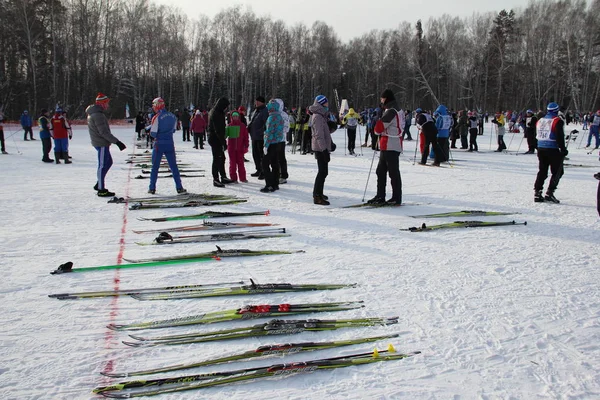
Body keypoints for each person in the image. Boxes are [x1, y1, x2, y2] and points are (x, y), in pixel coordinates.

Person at [86, 93, 127, 197]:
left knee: (108, 162)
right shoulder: (97, 115)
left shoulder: (97, 113)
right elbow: (103, 132)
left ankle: (99, 183)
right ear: (102, 103)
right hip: (101, 143)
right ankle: (101, 189)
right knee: (103, 164)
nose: (108, 105)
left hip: (101, 142)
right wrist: (117, 142)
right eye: (106, 103)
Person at [369, 89, 403, 205]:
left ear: (387, 98)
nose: (381, 100)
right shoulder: (393, 109)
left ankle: (396, 197)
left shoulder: (391, 111)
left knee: (392, 172)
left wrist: (377, 121)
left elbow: (379, 128)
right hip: (388, 144)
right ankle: (380, 195)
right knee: (381, 171)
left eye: (382, 98)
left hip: (390, 144)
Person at [147, 97, 186, 194]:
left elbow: (153, 133)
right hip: (169, 143)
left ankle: (152, 188)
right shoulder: (173, 116)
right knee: (173, 166)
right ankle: (179, 187)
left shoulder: (156, 117)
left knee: (155, 167)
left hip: (159, 144)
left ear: (157, 106)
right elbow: (173, 130)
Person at [534, 102, 567, 203]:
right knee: (557, 171)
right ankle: (550, 192)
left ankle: (537, 192)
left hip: (541, 148)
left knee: (542, 171)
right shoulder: (557, 121)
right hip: (553, 149)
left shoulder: (540, 120)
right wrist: (563, 149)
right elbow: (559, 136)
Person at [310, 95, 335, 205]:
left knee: (324, 172)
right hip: (320, 148)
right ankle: (317, 196)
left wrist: (331, 143)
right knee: (322, 172)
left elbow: (325, 132)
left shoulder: (321, 115)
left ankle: (319, 192)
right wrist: (324, 150)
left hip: (322, 147)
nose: (327, 105)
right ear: (321, 104)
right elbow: (319, 135)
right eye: (325, 103)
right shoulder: (318, 116)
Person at [208, 97, 234, 187]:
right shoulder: (216, 113)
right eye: (226, 106)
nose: (226, 108)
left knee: (222, 158)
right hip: (215, 139)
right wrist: (223, 142)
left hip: (217, 138)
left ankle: (223, 176)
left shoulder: (218, 112)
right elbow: (217, 130)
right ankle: (215, 179)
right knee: (217, 158)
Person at [260, 99, 284, 193]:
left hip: (271, 143)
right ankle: (275, 183)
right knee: (275, 163)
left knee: (265, 164)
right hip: (278, 143)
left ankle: (269, 184)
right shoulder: (279, 117)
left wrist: (266, 145)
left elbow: (269, 133)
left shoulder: (271, 118)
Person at [248, 96, 268, 179]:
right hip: (254, 136)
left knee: (261, 155)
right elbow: (253, 121)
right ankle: (258, 169)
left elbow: (265, 124)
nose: (256, 103)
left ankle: (264, 171)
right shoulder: (256, 111)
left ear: (262, 102)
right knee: (255, 154)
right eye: (256, 102)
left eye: (258, 102)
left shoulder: (264, 111)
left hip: (260, 137)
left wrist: (261, 132)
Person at [226, 111, 249, 182]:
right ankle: (233, 178)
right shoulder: (229, 126)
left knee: (241, 163)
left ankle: (243, 178)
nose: (235, 117)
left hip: (240, 148)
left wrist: (246, 146)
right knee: (232, 164)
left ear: (238, 117)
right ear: (232, 117)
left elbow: (246, 137)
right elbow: (225, 135)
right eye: (233, 116)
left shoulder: (242, 126)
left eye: (236, 116)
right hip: (231, 148)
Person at [276, 99, 289, 184]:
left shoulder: (283, 115)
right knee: (274, 158)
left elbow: (286, 128)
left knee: (281, 157)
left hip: (280, 140)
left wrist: (277, 130)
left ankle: (283, 175)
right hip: (273, 140)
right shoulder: (271, 114)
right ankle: (276, 173)